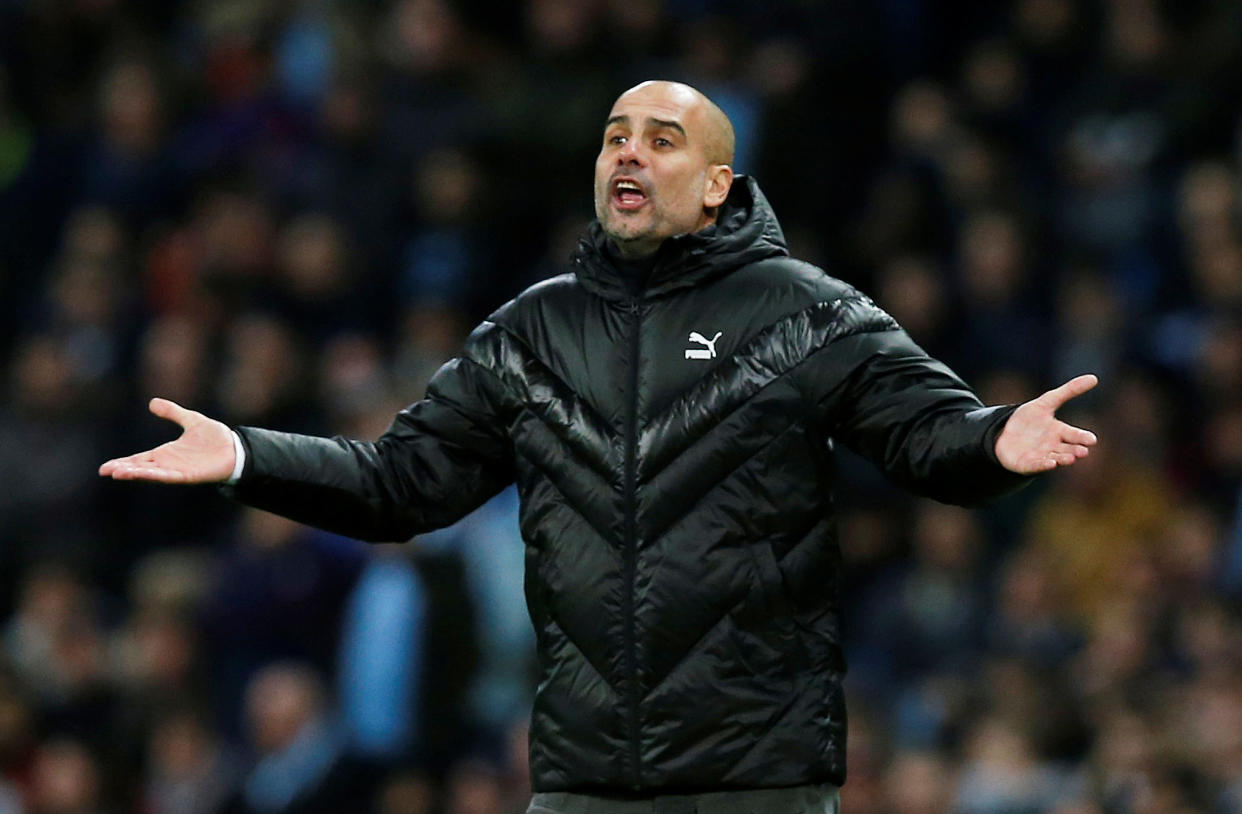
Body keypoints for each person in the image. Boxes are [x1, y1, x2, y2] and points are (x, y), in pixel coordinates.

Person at [101, 81, 1098, 814]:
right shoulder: (531, 331)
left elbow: (926, 435)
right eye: (615, 136)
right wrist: (244, 454)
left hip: (753, 782)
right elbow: (401, 483)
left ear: (717, 184)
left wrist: (991, 440)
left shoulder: (805, 313)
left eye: (661, 140)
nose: (626, 153)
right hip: (580, 781)